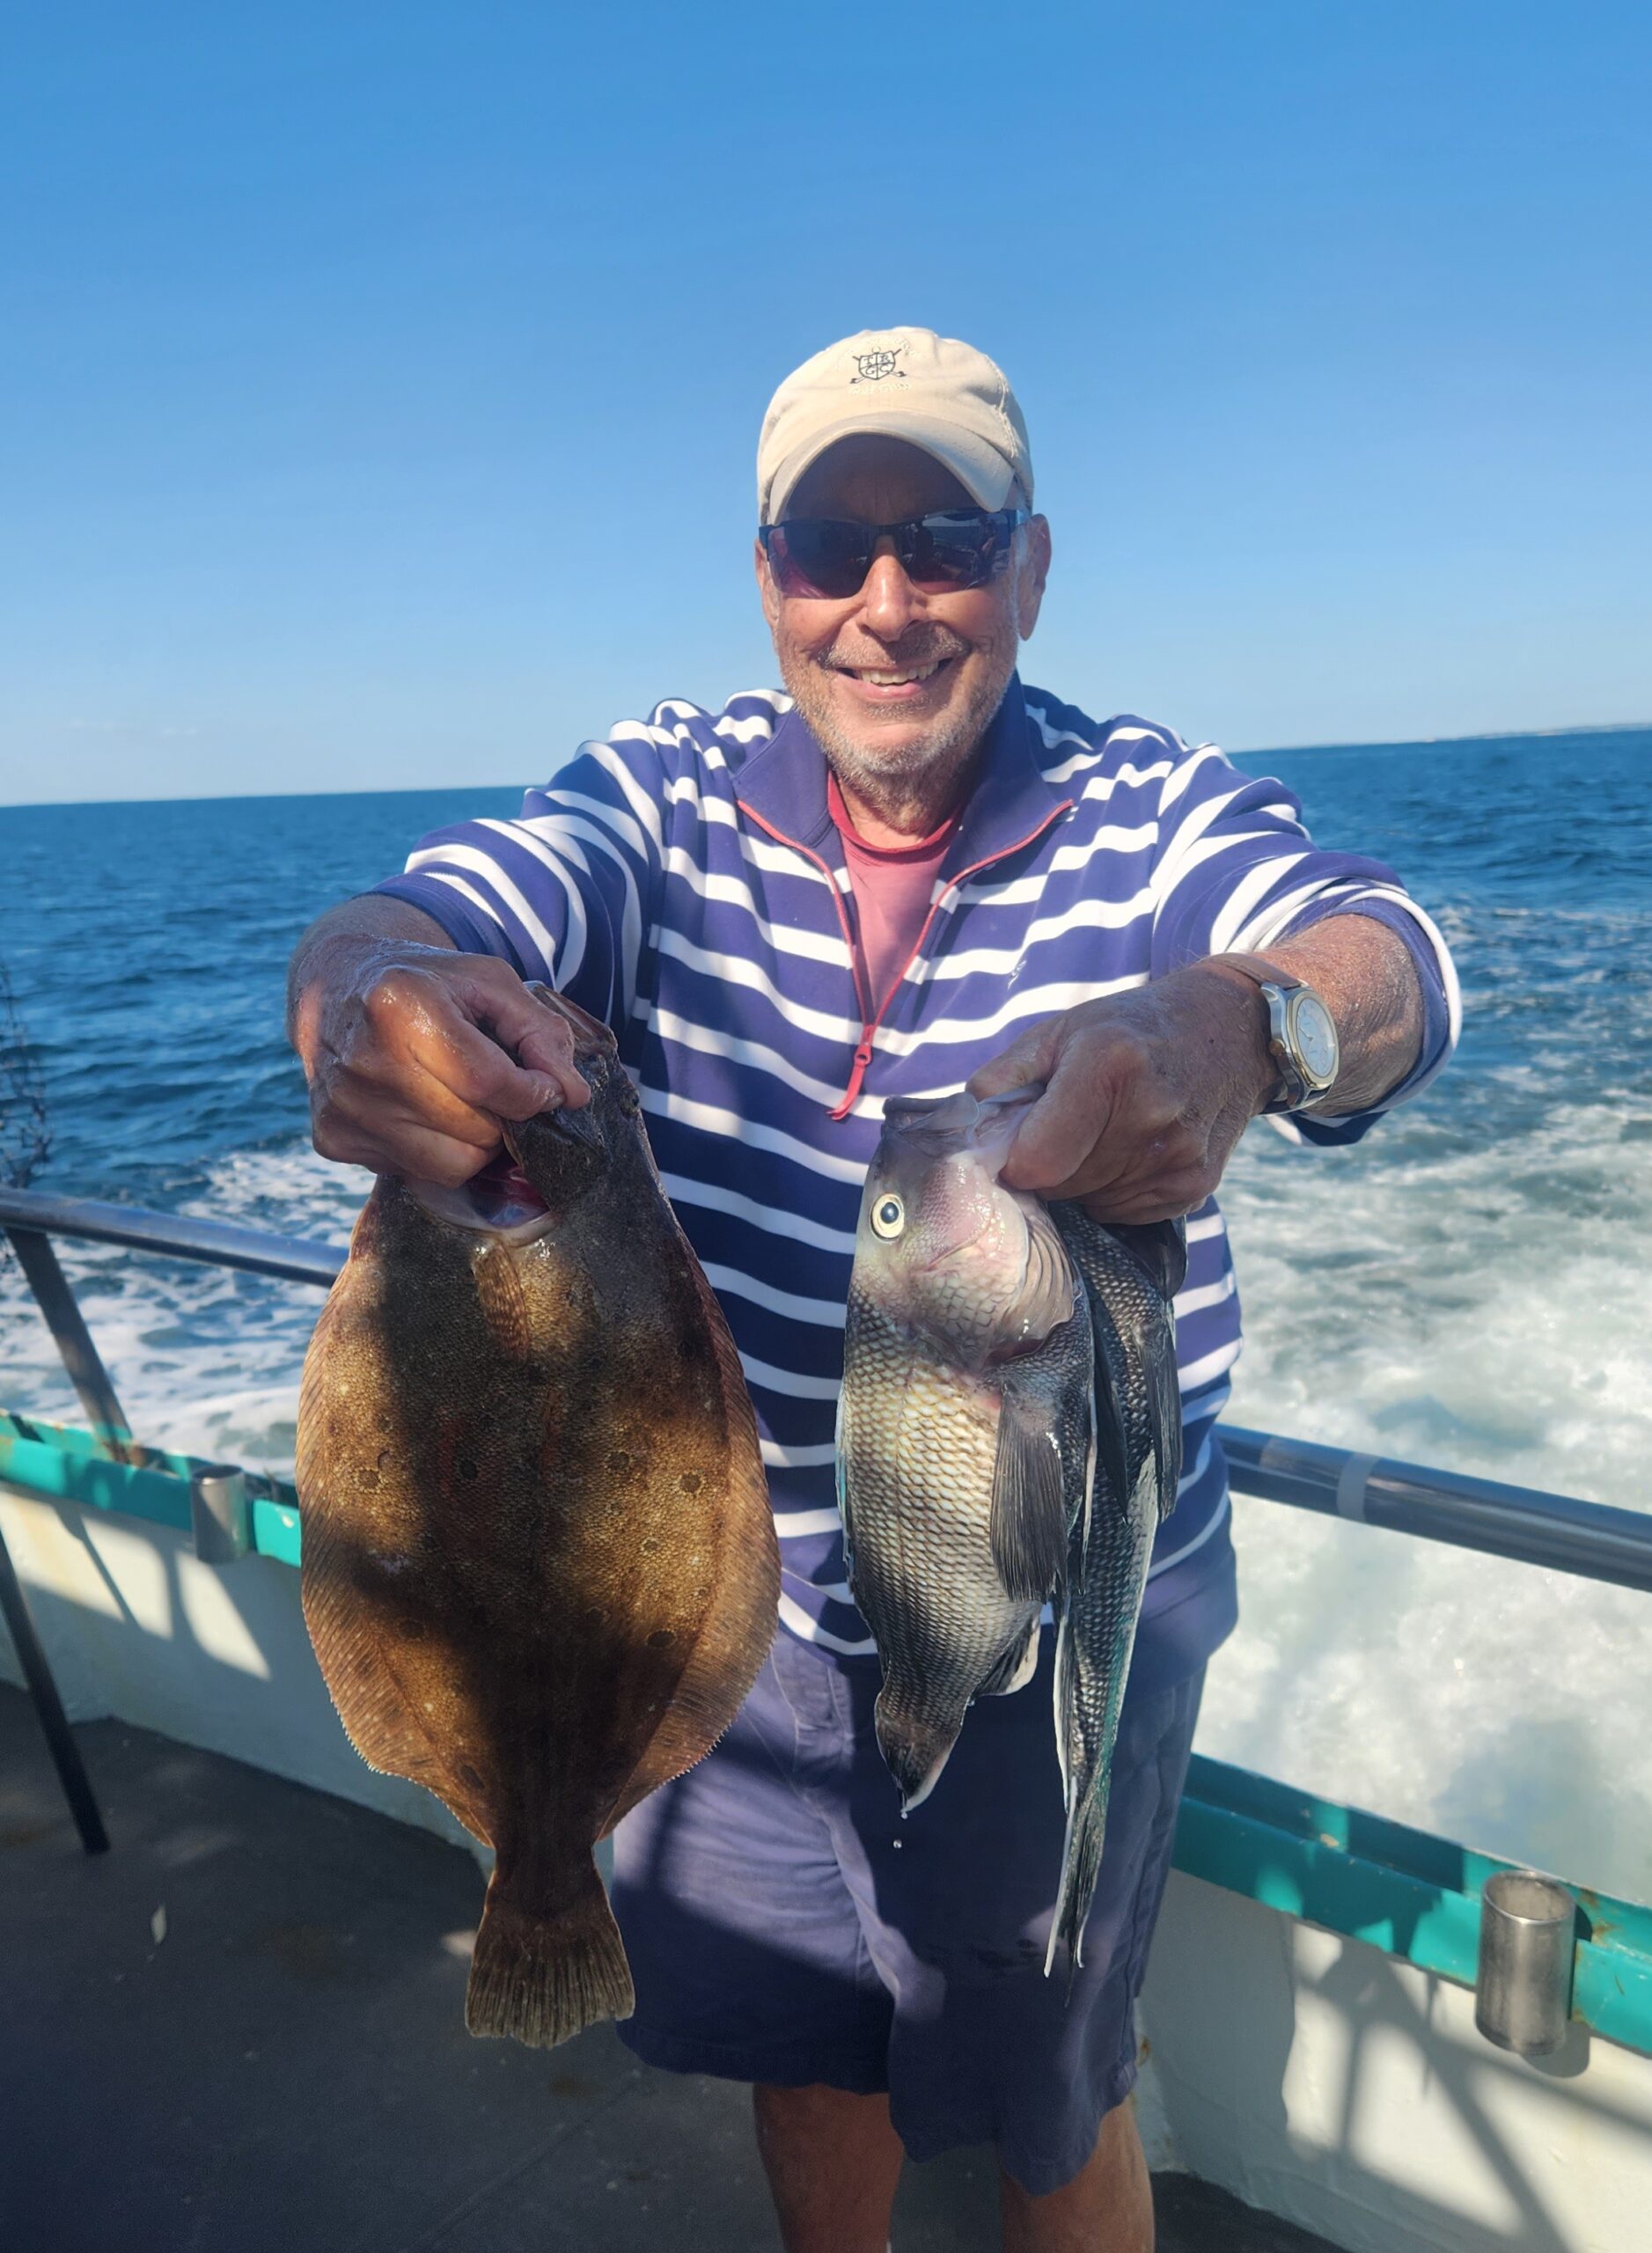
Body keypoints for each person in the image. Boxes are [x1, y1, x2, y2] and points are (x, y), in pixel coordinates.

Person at [288, 327, 1457, 2252]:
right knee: (806, 2059)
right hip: (708, 1619)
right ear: (769, 578)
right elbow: (442, 908)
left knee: (1053, 2100)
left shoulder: (1148, 802)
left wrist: (1253, 1025)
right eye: (833, 541)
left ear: (1034, 566)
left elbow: (1386, 946)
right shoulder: (656, 796)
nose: (889, 600)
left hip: (1048, 1616)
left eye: (949, 537)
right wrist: (365, 999)